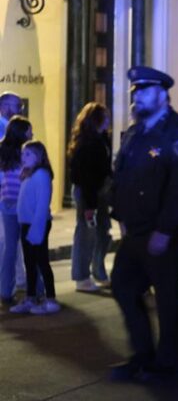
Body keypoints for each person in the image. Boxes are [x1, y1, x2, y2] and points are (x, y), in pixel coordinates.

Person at [109, 66, 178, 382]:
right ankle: (143, 356)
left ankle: (170, 365)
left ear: (163, 95)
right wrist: (119, 216)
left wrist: (165, 230)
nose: (137, 98)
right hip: (134, 232)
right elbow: (122, 176)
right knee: (123, 286)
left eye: (144, 91)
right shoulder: (137, 133)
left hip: (164, 235)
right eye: (135, 92)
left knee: (169, 300)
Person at [68, 102, 113, 292]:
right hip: (89, 193)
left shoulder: (100, 139)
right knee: (87, 232)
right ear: (97, 120)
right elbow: (86, 176)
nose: (109, 120)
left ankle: (98, 270)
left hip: (99, 192)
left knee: (103, 231)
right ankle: (82, 277)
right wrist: (89, 206)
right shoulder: (88, 143)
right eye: (105, 117)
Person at [11, 141, 59, 315]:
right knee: (29, 263)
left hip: (37, 225)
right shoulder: (29, 174)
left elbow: (41, 205)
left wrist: (36, 231)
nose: (24, 157)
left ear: (39, 156)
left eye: (29, 154)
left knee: (42, 262)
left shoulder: (42, 175)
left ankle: (51, 299)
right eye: (23, 154)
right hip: (27, 224)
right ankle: (31, 297)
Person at [0, 117, 32, 305]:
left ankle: (5, 290)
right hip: (24, 203)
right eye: (29, 131)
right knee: (31, 246)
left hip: (6, 203)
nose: (32, 134)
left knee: (10, 249)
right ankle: (36, 290)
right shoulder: (26, 152)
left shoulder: (2, 150)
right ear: (22, 132)